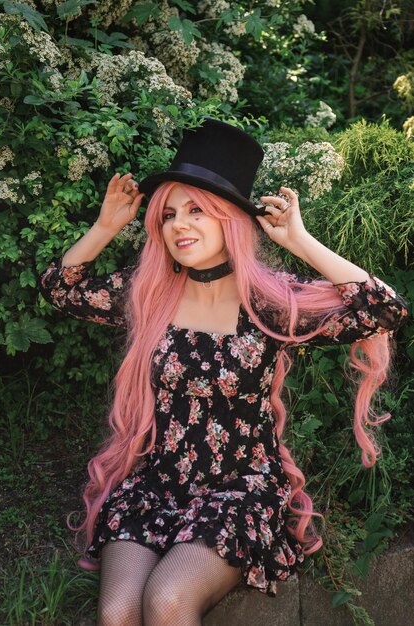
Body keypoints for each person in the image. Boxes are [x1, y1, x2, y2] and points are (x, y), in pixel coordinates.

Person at [39, 119, 408, 626]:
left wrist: (300, 241)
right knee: (119, 611)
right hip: (155, 484)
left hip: (238, 492)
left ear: (230, 219)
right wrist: (105, 227)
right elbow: (62, 288)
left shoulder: (271, 305)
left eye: (197, 211)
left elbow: (384, 309)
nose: (178, 225)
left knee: (168, 600)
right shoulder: (150, 295)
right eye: (168, 214)